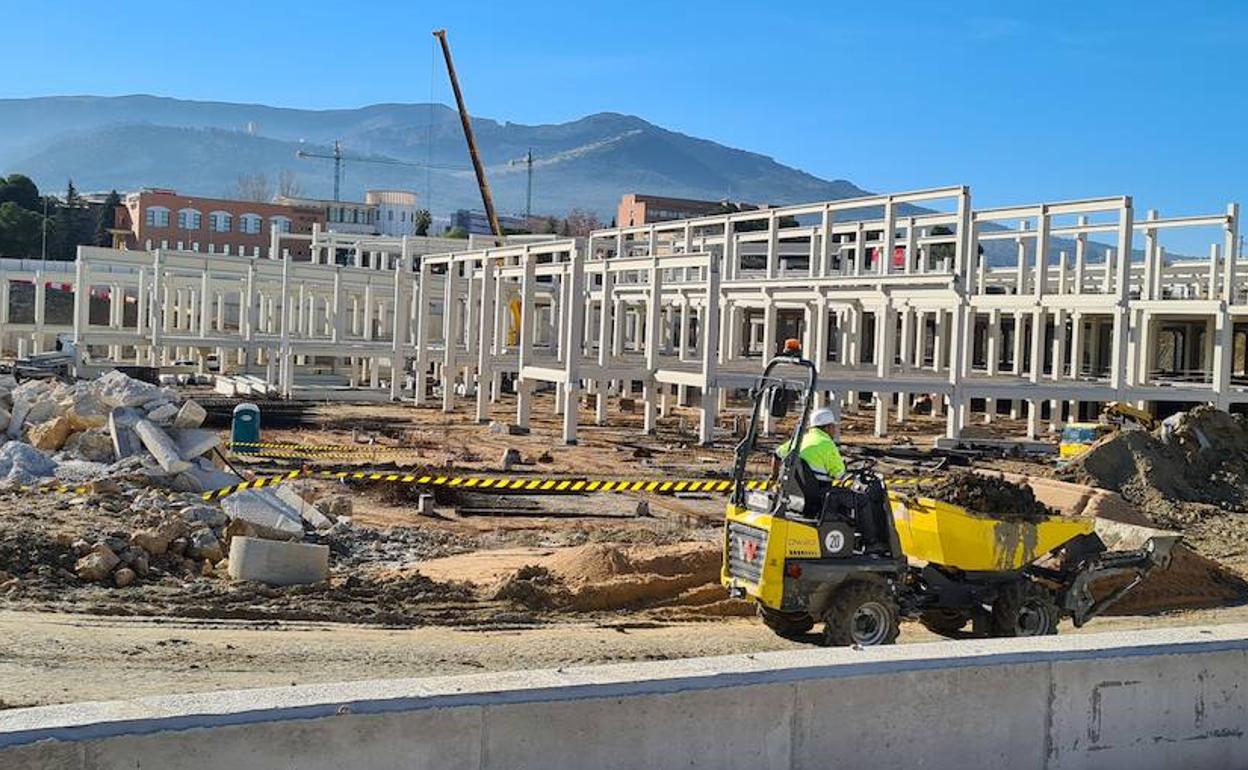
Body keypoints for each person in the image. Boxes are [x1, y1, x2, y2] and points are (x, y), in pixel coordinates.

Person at [772, 407, 845, 482]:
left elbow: (777, 455)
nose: (835, 431)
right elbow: (839, 474)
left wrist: (775, 476)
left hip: (793, 489)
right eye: (833, 427)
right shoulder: (827, 444)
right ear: (827, 427)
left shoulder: (799, 440)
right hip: (818, 490)